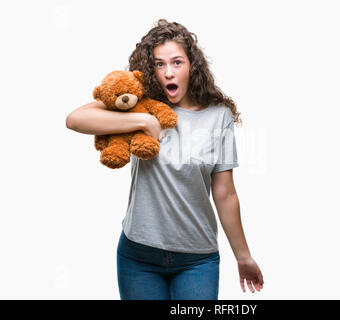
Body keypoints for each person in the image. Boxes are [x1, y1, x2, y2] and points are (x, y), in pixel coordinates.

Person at [65, 18, 264, 300]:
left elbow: (225, 192)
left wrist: (243, 257)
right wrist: (145, 121)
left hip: (197, 259)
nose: (168, 72)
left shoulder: (218, 116)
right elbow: (75, 119)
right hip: (138, 256)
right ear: (150, 69)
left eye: (176, 62)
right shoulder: (136, 103)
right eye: (159, 64)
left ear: (192, 65)